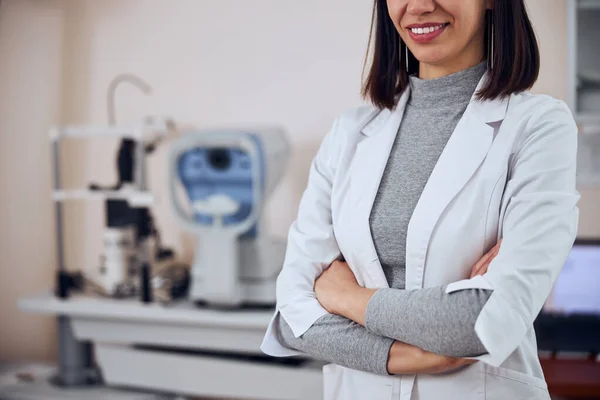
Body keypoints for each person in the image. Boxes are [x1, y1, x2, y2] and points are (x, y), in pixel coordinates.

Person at [261, 0, 580, 399]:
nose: (420, 5)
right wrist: (411, 355)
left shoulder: (538, 127)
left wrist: (346, 297)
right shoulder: (349, 134)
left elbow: (477, 321)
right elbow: (293, 319)